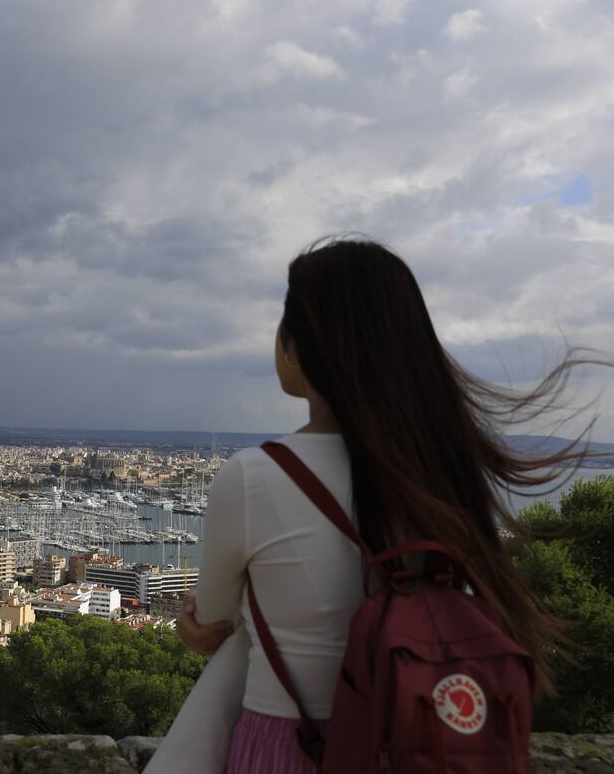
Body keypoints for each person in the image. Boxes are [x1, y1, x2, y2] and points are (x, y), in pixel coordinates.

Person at [156, 235, 603, 773]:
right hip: (414, 741)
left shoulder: (253, 476)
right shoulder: (441, 469)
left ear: (301, 344)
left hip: (290, 742)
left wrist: (197, 629)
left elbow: (209, 623)